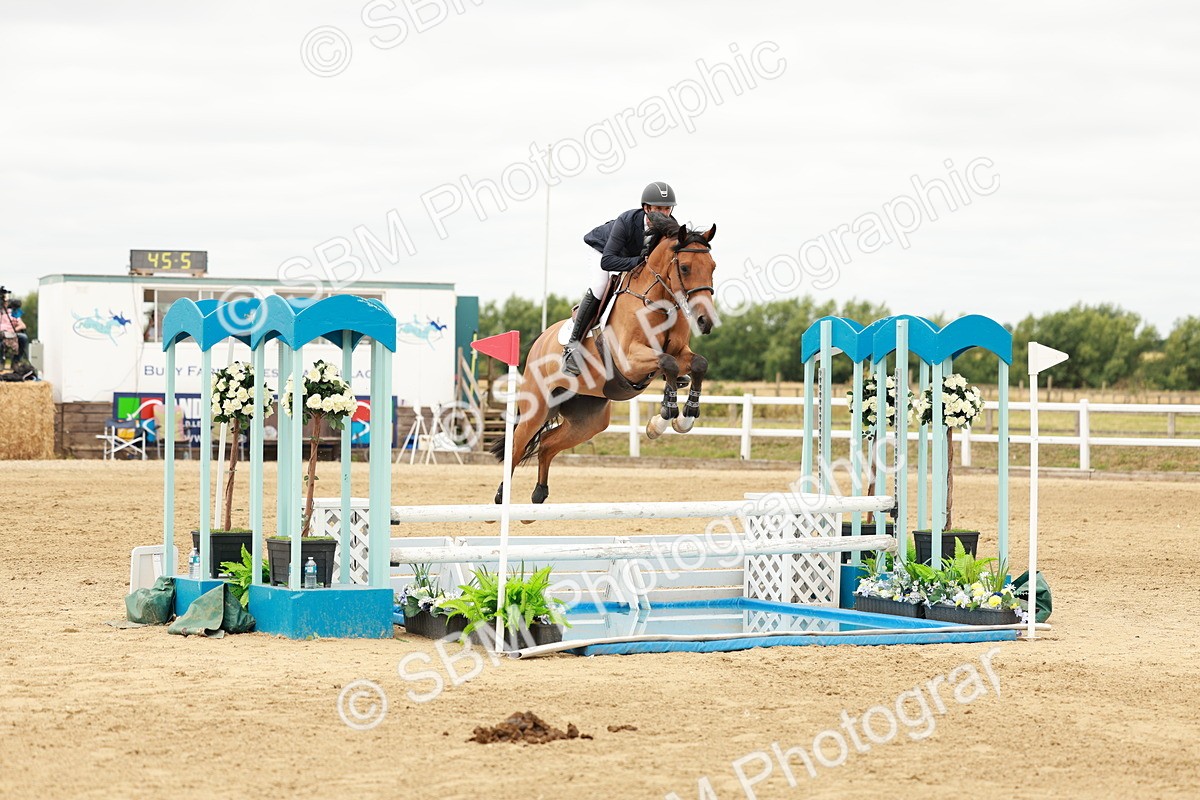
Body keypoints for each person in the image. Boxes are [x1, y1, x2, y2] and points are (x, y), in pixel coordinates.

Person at [563, 181, 678, 375]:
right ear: (646, 208)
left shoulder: (669, 226)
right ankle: (572, 347)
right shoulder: (627, 221)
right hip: (604, 250)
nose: (664, 214)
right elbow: (607, 261)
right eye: (658, 208)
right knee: (601, 284)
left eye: (667, 209)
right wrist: (639, 261)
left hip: (633, 257)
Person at [1, 299, 28, 367]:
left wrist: (14, 330)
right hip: (2, 333)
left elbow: (23, 325)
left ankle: (15, 361)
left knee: (23, 337)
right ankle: (1, 362)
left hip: (12, 333)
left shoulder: (14, 313)